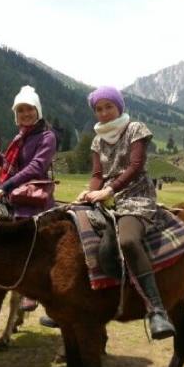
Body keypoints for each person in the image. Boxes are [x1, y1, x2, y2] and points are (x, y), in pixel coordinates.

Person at [76, 86, 175, 340]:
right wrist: (89, 193)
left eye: (109, 106)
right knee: (72, 231)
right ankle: (75, 304)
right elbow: (97, 175)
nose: (104, 112)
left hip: (136, 197)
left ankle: (156, 309)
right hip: (107, 197)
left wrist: (108, 190)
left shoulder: (135, 129)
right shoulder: (98, 140)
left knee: (128, 240)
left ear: (119, 106)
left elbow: (135, 166)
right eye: (99, 109)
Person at [0, 85, 57, 315]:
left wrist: (5, 185)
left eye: (29, 109)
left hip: (35, 197)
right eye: (20, 111)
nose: (25, 114)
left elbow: (36, 166)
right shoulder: (20, 137)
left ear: (37, 111)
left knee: (29, 241)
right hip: (17, 195)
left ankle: (31, 291)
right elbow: (14, 167)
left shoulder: (47, 136)